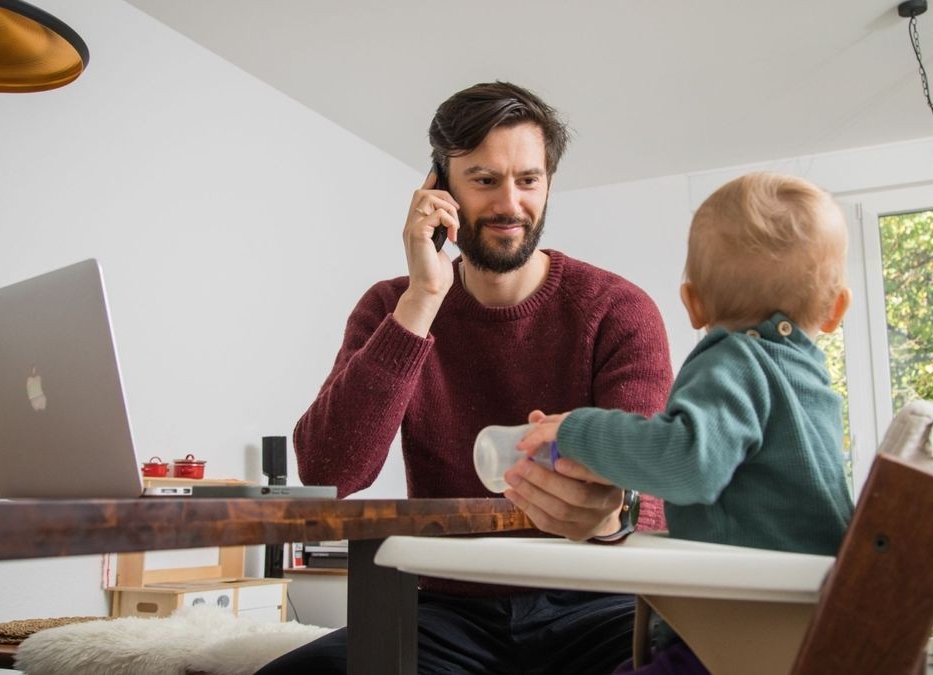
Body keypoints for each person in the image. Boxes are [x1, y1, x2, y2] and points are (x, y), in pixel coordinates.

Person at [255, 82, 673, 675]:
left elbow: (651, 488)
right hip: (449, 610)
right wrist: (423, 298)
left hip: (597, 598)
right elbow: (328, 469)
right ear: (439, 190)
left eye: (527, 179)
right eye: (483, 179)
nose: (509, 203)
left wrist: (611, 512)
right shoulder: (391, 307)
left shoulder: (618, 310)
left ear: (548, 183)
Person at [517, 172, 857, 673]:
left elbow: (687, 461)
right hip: (810, 620)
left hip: (743, 633)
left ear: (692, 303)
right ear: (836, 311)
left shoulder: (736, 362)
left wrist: (578, 432)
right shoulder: (809, 383)